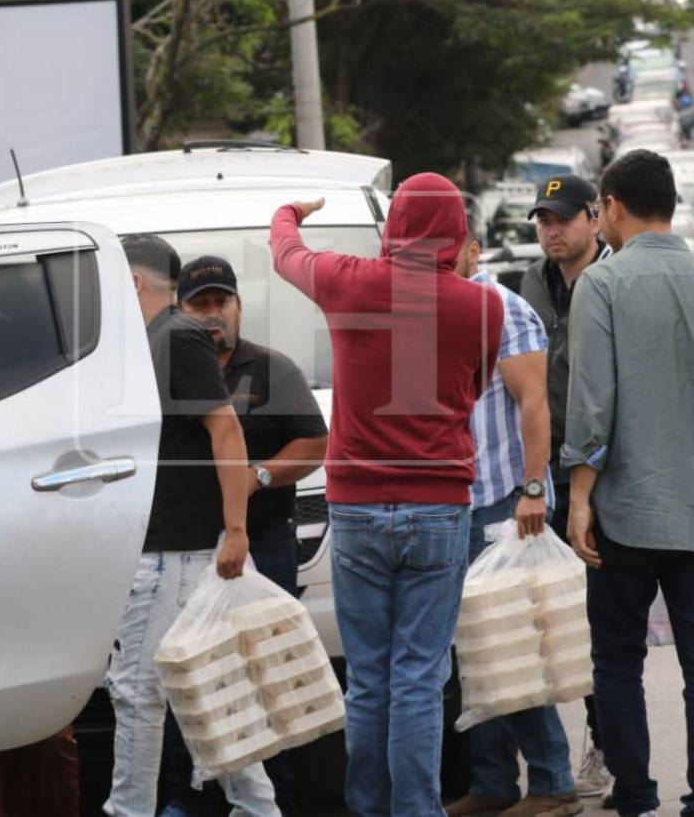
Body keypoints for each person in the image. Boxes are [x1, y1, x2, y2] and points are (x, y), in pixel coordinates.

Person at [269, 174, 504, 817]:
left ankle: (368, 807)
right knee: (421, 677)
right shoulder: (482, 306)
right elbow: (474, 387)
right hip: (439, 506)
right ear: (456, 232)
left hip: (356, 508)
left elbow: (285, 251)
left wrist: (292, 210)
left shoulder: (349, 283)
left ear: (393, 226)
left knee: (368, 678)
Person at [562, 149, 694, 817]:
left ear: (615, 208)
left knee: (618, 660)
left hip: (625, 508)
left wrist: (577, 496)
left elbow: (592, 404)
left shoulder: (602, 284)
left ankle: (634, 796)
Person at [104, 234, 277, 817]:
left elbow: (226, 431)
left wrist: (236, 531)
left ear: (132, 282)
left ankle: (130, 811)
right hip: (172, 551)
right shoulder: (153, 339)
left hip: (178, 553)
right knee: (208, 689)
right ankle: (258, 809)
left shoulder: (176, 336)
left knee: (139, 694)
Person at [163, 255, 330, 816]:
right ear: (179, 311)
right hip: (186, 554)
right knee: (198, 682)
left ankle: (273, 803)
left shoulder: (270, 369)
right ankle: (196, 803)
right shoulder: (163, 368)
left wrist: (257, 475)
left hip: (264, 546)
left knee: (266, 681)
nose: (212, 315)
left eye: (220, 302)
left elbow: (315, 445)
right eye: (199, 305)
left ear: (238, 306)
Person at [446, 222, 582, 817]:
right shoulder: (428, 310)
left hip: (504, 502)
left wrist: (532, 490)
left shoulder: (501, 306)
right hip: (452, 503)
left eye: (447, 248)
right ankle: (494, 783)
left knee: (510, 645)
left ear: (473, 251)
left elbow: (534, 400)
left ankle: (553, 782)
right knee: (471, 652)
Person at [517, 173, 613, 800]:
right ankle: (551, 765)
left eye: (563, 218)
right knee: (545, 623)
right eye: (543, 220)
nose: (552, 230)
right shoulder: (530, 281)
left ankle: (606, 746)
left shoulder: (616, 281)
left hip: (601, 472)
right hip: (540, 472)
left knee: (603, 619)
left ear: (594, 217)